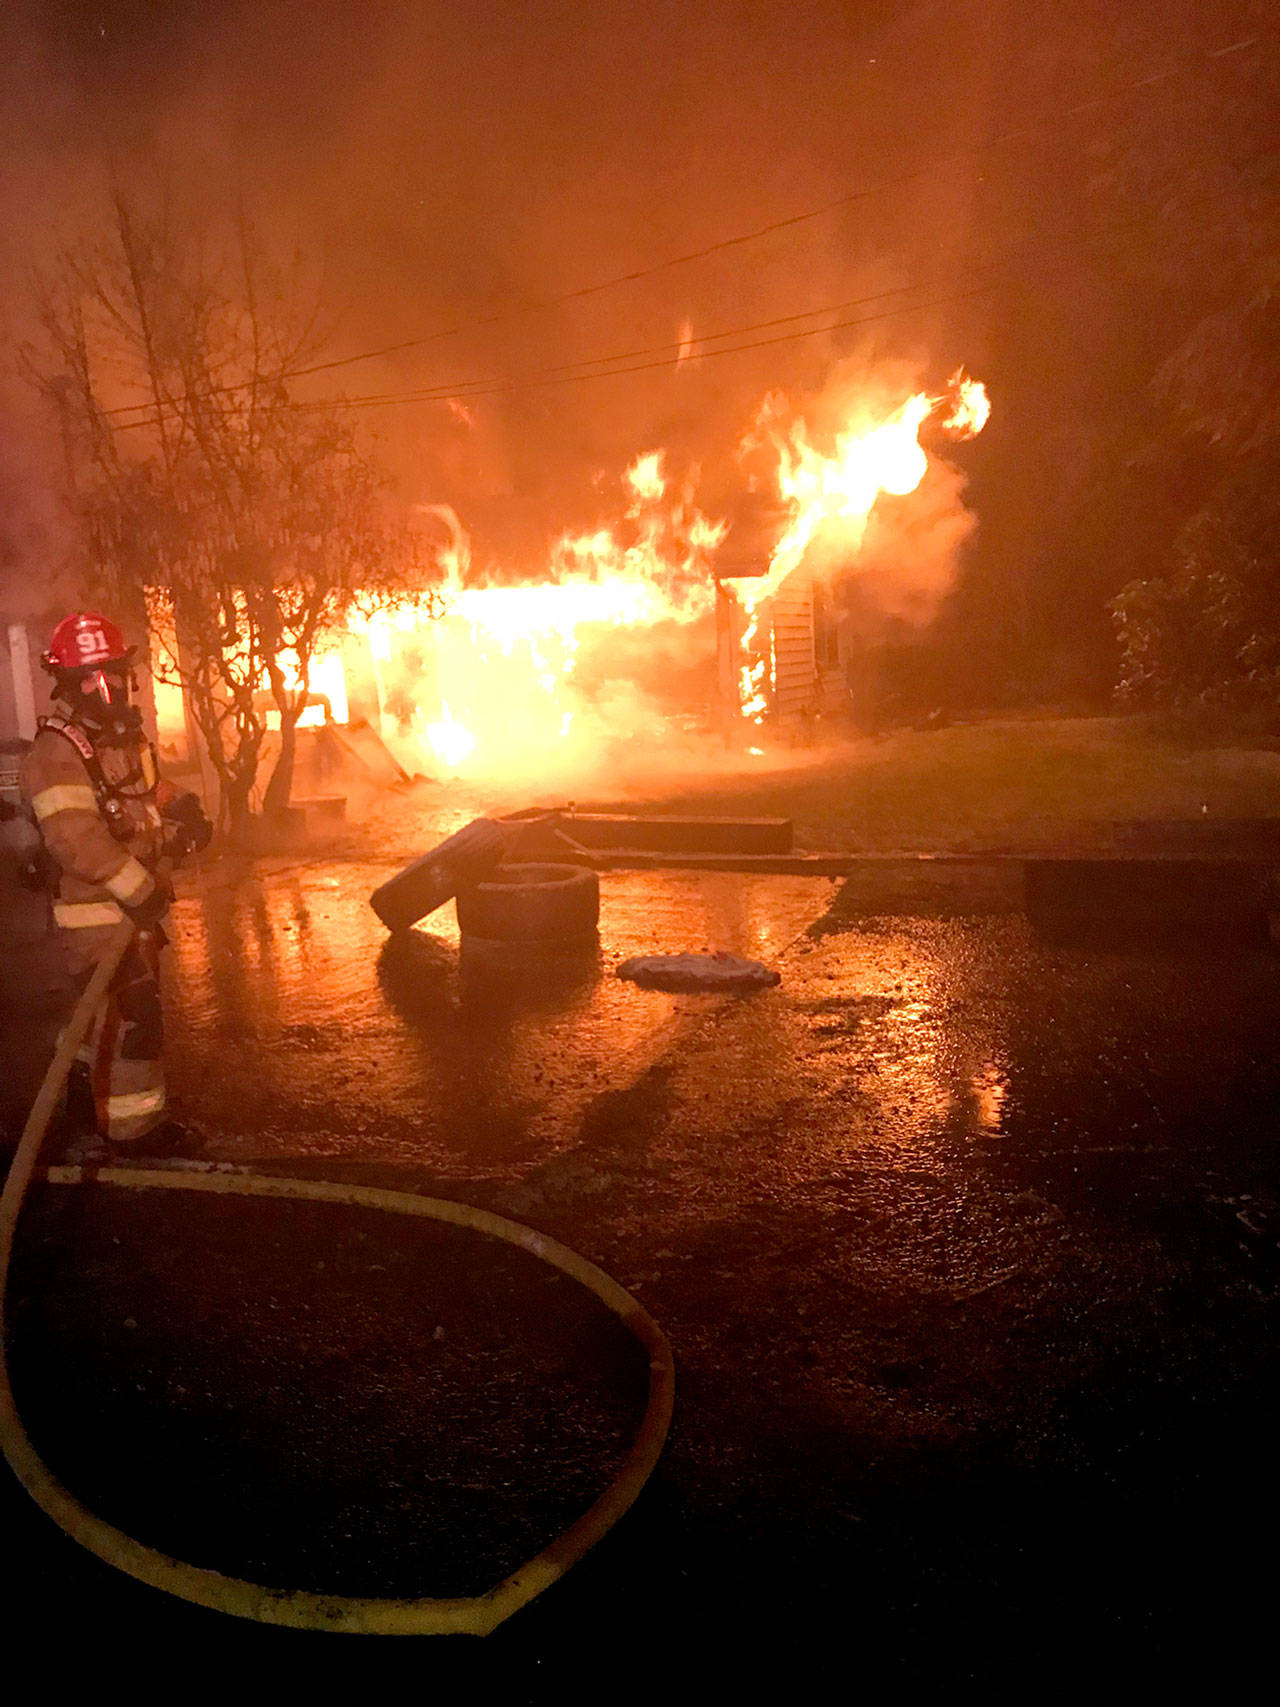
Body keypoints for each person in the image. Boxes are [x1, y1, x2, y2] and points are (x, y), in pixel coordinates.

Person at [20, 611, 212, 1157]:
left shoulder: (115, 737)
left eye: (113, 675)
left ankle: (81, 1095)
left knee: (101, 1014)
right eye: (90, 680)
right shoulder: (59, 753)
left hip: (131, 912)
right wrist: (142, 889)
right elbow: (77, 842)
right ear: (66, 685)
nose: (107, 689)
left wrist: (185, 807)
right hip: (98, 917)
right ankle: (134, 1132)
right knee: (135, 1020)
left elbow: (144, 792)